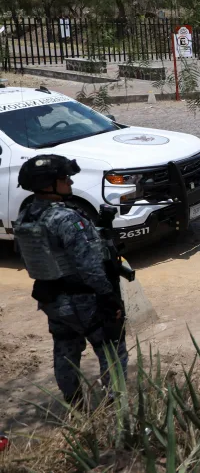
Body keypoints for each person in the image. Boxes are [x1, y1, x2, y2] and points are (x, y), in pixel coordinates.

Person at [14, 155, 129, 407]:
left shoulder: (26, 215)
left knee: (66, 352)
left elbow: (30, 254)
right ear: (48, 184)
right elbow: (88, 264)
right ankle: (116, 409)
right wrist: (109, 298)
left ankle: (75, 406)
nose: (69, 181)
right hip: (83, 300)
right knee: (112, 349)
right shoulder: (66, 218)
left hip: (52, 298)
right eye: (64, 178)